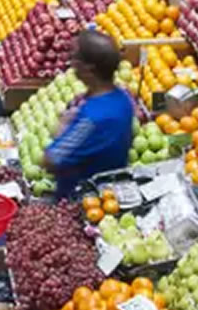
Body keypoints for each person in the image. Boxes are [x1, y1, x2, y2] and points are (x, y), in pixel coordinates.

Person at [44, 30, 134, 200]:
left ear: (88, 69)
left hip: (81, 203)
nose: (71, 63)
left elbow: (51, 159)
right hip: (109, 195)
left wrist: (62, 126)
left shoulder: (92, 117)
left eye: (75, 58)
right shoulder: (123, 100)